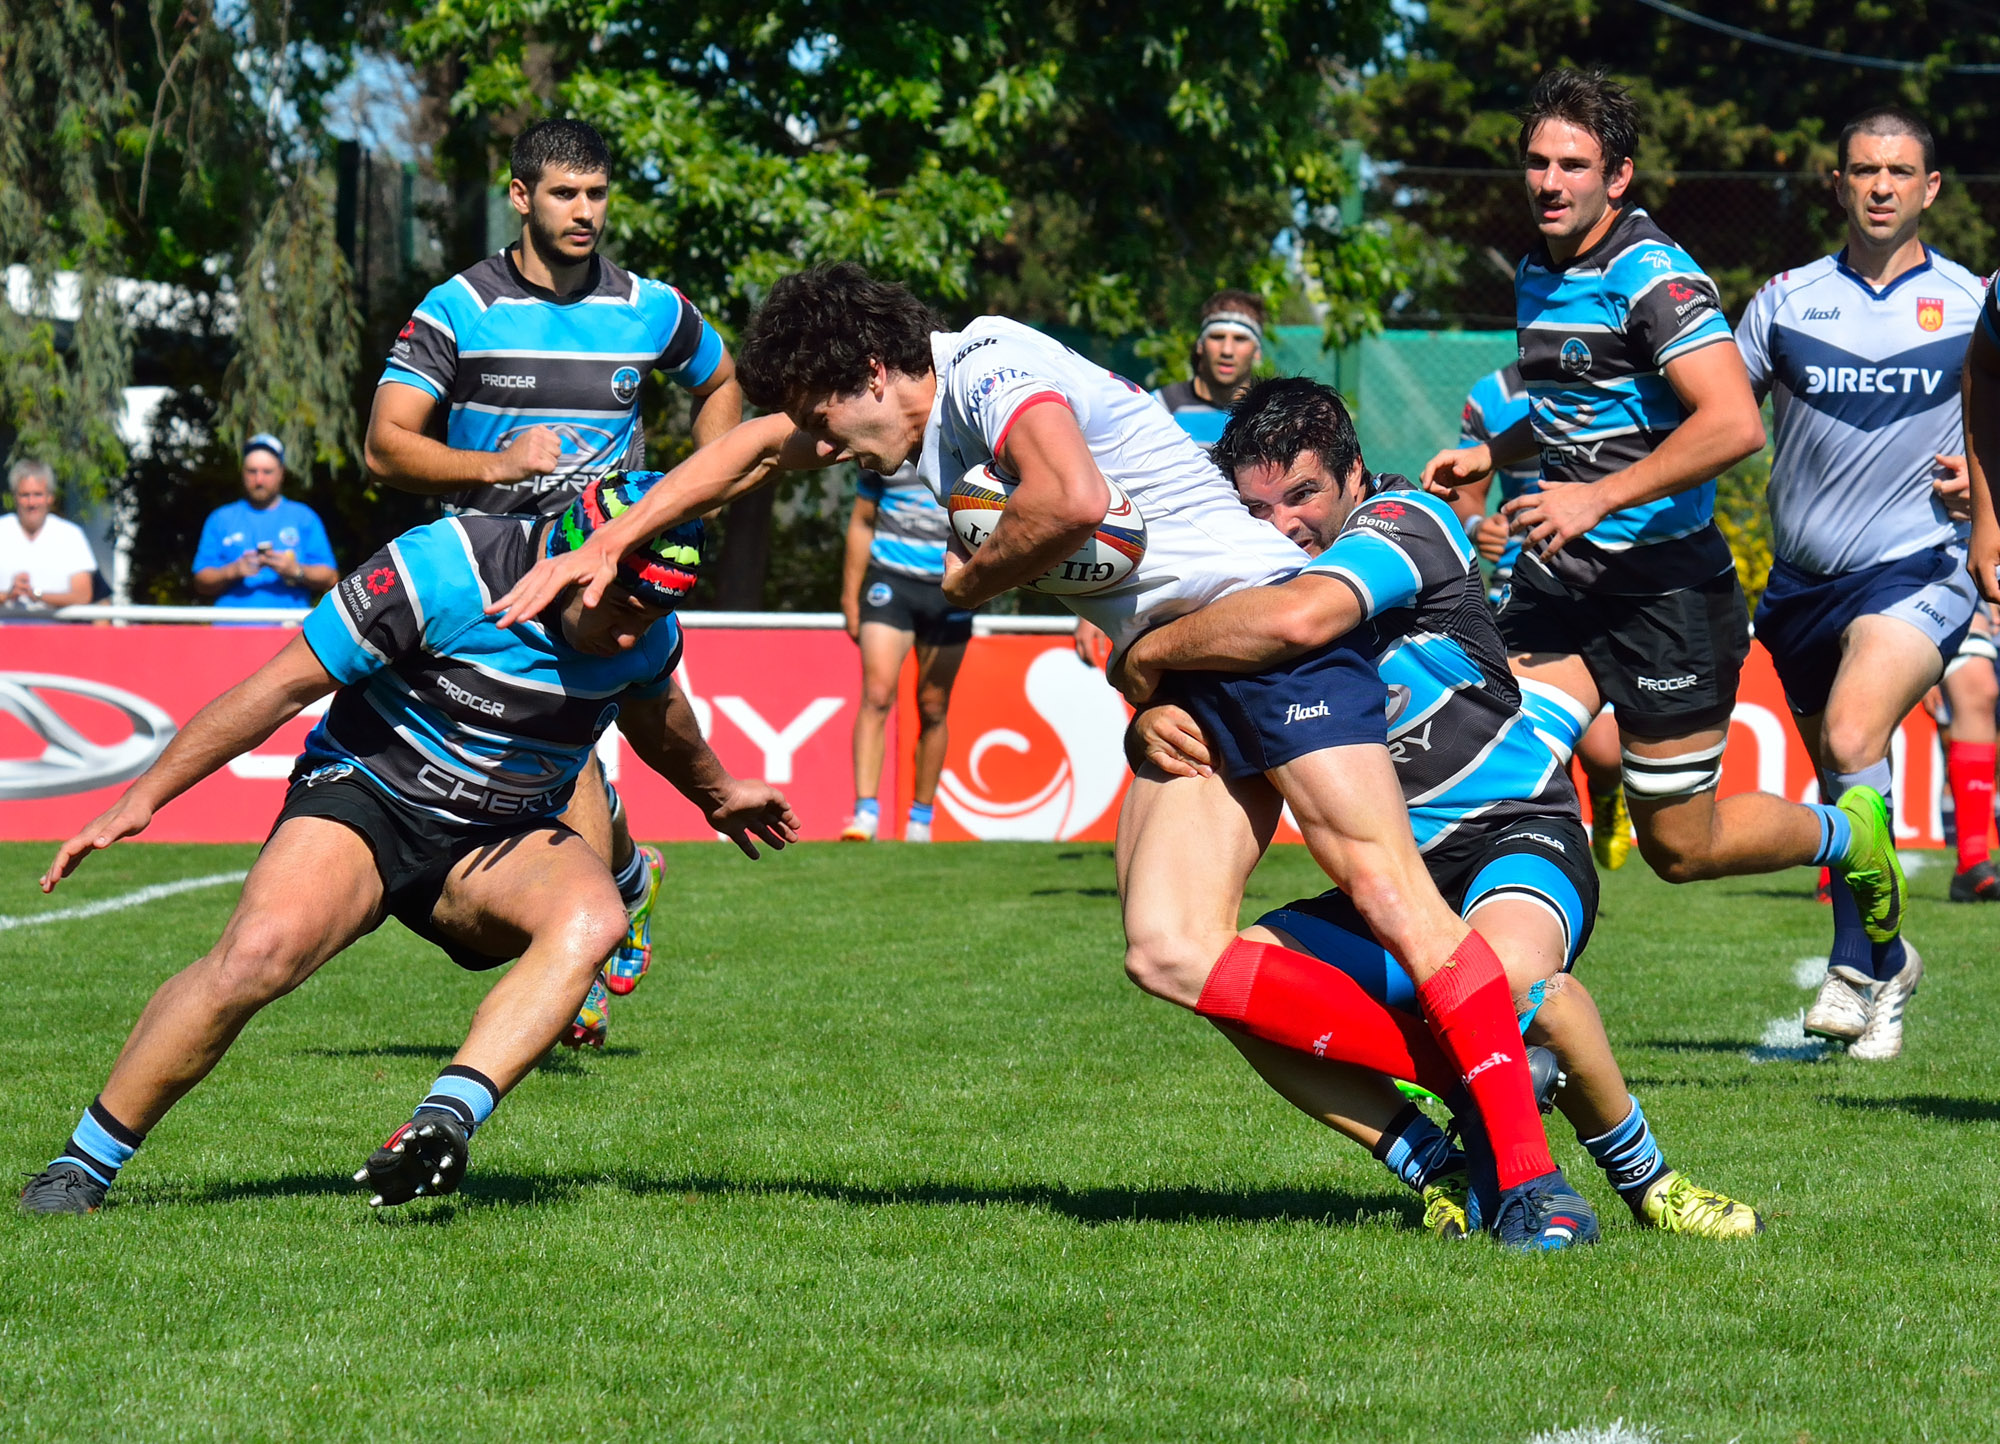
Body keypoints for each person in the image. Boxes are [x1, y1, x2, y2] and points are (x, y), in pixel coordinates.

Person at [492, 262, 1598, 1250]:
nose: (822, 450)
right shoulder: (906, 415)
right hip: (1178, 677)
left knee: (1389, 890)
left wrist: (968, 581)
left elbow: (1067, 501)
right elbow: (743, 455)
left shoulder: (987, 366)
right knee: (1168, 950)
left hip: (1255, 628)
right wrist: (605, 539)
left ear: (876, 369)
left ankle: (1535, 1186)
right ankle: (1462, 1118)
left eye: (828, 422)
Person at [18, 471, 797, 1216]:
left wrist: (717, 791)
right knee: (259, 953)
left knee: (595, 920)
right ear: (573, 559)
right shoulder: (441, 569)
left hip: (502, 835)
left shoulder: (647, 628)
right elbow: (281, 686)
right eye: (618, 608)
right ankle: (81, 1165)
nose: (630, 631)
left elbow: (657, 716)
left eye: (650, 617)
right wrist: (143, 797)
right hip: (369, 798)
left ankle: (441, 1125)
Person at [1113, 378, 1761, 1239]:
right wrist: (1148, 714)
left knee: (1526, 984)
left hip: (1512, 835)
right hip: (1385, 880)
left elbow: (1304, 619)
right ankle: (1434, 1161)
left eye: (1303, 494)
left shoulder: (1410, 521)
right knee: (1233, 982)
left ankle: (1649, 1183)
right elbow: (1213, 699)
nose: (1283, 526)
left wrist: (1141, 653)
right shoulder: (1250, 574)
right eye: (1257, 507)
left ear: (1352, 474)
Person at [1419, 68, 1908, 989]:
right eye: (1537, 162)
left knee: (1681, 847)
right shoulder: (1538, 267)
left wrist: (1595, 498)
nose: (1550, 181)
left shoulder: (1655, 274)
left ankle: (1850, 836)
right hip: (1561, 584)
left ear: (1619, 176)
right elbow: (1583, 401)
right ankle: (1510, 1000)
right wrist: (1497, 452)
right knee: (1488, 754)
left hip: (1668, 595)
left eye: (1574, 164)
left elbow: (1732, 422)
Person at [362, 117, 745, 1041]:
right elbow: (383, 449)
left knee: (566, 761)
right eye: (565, 193)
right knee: (548, 775)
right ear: (522, 196)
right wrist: (498, 466)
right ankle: (621, 884)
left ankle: (573, 958)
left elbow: (723, 381)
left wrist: (688, 499)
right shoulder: (457, 308)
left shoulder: (653, 308)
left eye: (598, 193)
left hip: (595, 583)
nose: (585, 212)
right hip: (477, 583)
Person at [1731, 106, 1987, 1056]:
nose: (1881, 185)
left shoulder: (1973, 303)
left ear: (1929, 189)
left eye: (1901, 170)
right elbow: (1716, 416)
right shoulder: (1785, 302)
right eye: (1864, 169)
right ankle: (1890, 950)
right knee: (1847, 788)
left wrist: (1988, 476)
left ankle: (1849, 966)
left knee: (1851, 733)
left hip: (1920, 566)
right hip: (1799, 585)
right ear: (1836, 184)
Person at [1454, 364, 1633, 869]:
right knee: (1527, 740)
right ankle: (1540, 855)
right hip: (1520, 586)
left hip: (1602, 580)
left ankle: (1605, 795)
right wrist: (1477, 525)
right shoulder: (1492, 394)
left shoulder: (1618, 371)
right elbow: (1470, 494)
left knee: (1604, 755)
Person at [838, 462, 972, 843]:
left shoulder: (969, 445)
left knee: (933, 705)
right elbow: (862, 521)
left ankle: (920, 821)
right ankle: (864, 814)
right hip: (889, 580)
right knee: (876, 695)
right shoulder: (884, 451)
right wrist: (849, 597)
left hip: (950, 588)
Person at [191, 434, 338, 609]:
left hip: (289, 630)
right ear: (242, 472)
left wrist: (296, 570)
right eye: (252, 471)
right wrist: (233, 570)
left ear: (281, 473)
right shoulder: (220, 518)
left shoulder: (304, 517)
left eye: (267, 472)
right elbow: (200, 582)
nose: (259, 480)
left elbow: (331, 578)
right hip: (231, 630)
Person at [1927, 605, 2000, 900]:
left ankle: (1972, 863)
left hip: (1967, 583)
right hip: (1894, 569)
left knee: (1979, 689)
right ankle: (1838, 869)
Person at [1150, 291, 1266, 449]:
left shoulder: (1269, 414)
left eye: (1240, 339)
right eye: (1217, 337)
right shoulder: (1159, 408)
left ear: (1257, 351)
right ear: (1200, 345)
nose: (1227, 350)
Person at [0, 459, 99, 611]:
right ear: (15, 497)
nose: (31, 503)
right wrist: (8, 595)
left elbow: (83, 595)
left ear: (50, 498)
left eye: (38, 494)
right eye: (25, 495)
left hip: (53, 632)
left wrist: (37, 595)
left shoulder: (70, 535)